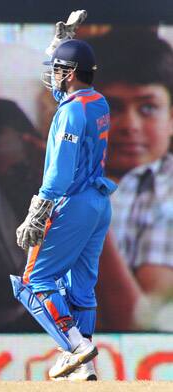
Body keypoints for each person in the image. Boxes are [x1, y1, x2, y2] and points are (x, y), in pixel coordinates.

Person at [11, 38, 116, 381]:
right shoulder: (98, 102)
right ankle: (83, 367)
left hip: (73, 202)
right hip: (100, 203)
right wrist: (60, 46)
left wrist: (39, 207)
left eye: (57, 70)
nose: (52, 77)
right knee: (81, 288)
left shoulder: (70, 111)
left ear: (69, 73)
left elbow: (59, 171)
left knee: (34, 279)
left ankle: (74, 345)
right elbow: (70, 95)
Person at [86, 29, 173, 331]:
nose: (129, 126)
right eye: (111, 109)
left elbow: (143, 327)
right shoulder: (43, 172)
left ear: (171, 118)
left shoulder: (167, 188)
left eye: (147, 108)